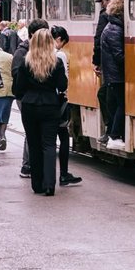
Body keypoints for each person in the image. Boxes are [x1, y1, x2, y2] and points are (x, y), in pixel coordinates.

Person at [13, 28, 68, 196]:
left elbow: (17, 88)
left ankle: (37, 184)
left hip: (30, 106)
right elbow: (62, 86)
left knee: (34, 143)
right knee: (49, 144)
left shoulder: (25, 62)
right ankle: (50, 184)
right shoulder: (56, 62)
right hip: (50, 106)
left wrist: (28, 94)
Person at [12, 18, 50, 178]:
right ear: (34, 34)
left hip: (35, 97)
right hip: (26, 98)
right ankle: (27, 165)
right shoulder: (22, 52)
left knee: (35, 132)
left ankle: (31, 165)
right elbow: (16, 76)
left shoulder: (45, 52)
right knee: (31, 131)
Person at [50, 25, 82, 187]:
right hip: (59, 100)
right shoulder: (60, 55)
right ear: (59, 40)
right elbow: (63, 80)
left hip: (46, 101)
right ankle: (63, 173)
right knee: (63, 137)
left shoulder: (40, 54)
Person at [92, 0, 119, 143]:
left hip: (110, 67)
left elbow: (98, 40)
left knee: (105, 95)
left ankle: (111, 130)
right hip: (116, 66)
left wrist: (97, 61)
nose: (102, 4)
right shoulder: (120, 16)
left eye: (104, 1)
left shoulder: (105, 17)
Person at [99, 0, 127, 150]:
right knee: (122, 104)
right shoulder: (114, 29)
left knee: (117, 103)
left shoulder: (111, 27)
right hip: (116, 76)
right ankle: (115, 135)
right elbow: (118, 55)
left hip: (112, 75)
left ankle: (113, 133)